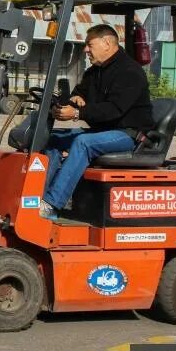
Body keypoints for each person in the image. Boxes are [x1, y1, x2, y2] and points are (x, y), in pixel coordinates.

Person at [39, 24, 153, 220]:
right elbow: (79, 93)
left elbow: (114, 109)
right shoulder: (94, 72)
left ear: (107, 43)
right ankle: (37, 197)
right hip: (102, 132)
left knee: (83, 143)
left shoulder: (129, 72)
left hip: (127, 134)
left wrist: (77, 113)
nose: (85, 49)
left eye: (89, 44)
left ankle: (52, 204)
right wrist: (75, 99)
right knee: (55, 139)